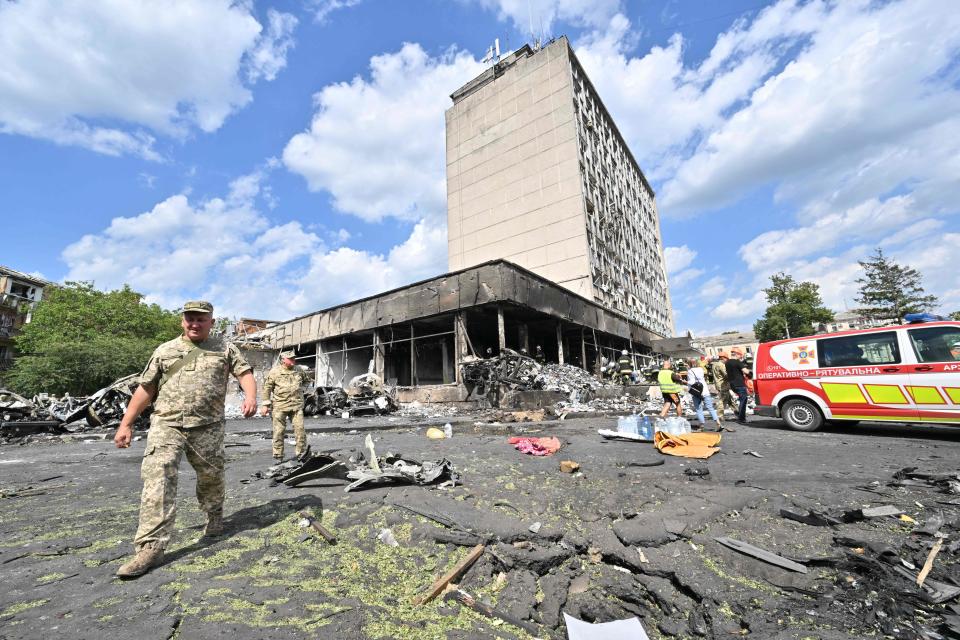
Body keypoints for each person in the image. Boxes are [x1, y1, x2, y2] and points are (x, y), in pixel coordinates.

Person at [113, 301, 257, 579]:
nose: (195, 323)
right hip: (166, 424)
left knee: (210, 477)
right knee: (158, 478)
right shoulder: (165, 351)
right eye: (190, 318)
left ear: (211, 322)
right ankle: (150, 547)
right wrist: (125, 424)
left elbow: (245, 373)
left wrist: (250, 396)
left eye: (201, 319)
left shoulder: (225, 348)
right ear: (182, 321)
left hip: (208, 427)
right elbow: (146, 388)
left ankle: (214, 517)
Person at [260, 350, 309, 460]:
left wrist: (302, 391)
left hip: (296, 405)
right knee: (278, 431)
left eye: (294, 358)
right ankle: (278, 455)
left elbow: (307, 381)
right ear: (283, 360)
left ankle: (301, 454)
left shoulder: (299, 370)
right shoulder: (275, 372)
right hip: (280, 406)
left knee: (300, 430)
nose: (293, 360)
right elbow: (267, 388)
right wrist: (265, 404)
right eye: (290, 358)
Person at [686, 357, 719, 429]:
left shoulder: (690, 371)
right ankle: (718, 423)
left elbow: (692, 382)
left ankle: (702, 425)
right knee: (710, 408)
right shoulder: (701, 369)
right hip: (705, 391)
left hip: (697, 392)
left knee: (698, 409)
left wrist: (685, 381)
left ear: (689, 364)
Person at [725, 349, 751, 425]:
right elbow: (746, 371)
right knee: (743, 400)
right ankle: (741, 419)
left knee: (741, 399)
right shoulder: (737, 362)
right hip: (739, 384)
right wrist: (751, 374)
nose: (741, 357)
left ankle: (740, 415)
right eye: (740, 355)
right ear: (737, 354)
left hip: (732, 384)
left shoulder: (727, 362)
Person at [710, 354, 730, 427]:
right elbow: (726, 375)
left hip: (718, 383)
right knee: (723, 399)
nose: (727, 360)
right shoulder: (721, 365)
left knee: (729, 399)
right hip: (723, 384)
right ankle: (719, 415)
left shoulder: (714, 364)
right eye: (726, 359)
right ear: (723, 358)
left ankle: (737, 411)